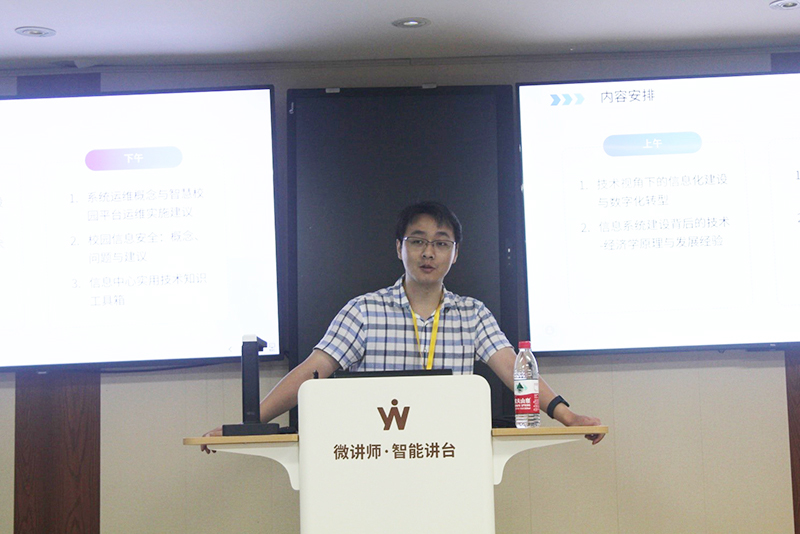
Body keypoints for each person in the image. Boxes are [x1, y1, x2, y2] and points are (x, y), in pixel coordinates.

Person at [202, 201, 602, 451]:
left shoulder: (472, 314)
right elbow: (311, 372)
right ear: (399, 248)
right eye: (417, 241)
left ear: (455, 254)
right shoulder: (364, 311)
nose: (429, 252)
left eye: (441, 243)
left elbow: (516, 370)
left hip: (449, 454)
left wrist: (567, 416)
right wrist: (248, 425)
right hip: (374, 456)